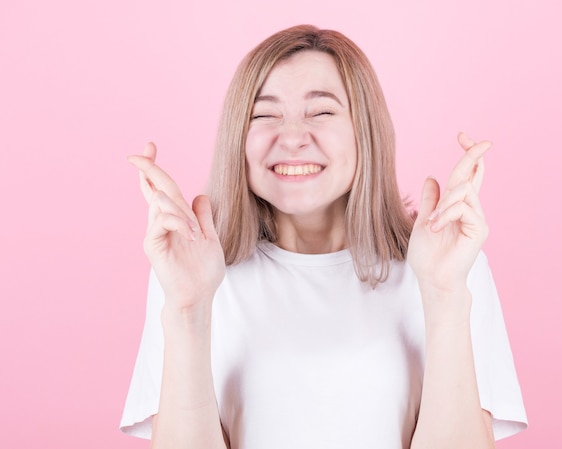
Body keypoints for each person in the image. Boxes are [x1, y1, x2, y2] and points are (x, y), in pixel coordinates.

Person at [121, 24, 527, 449]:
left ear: (364, 131)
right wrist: (188, 308)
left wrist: (444, 294)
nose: (293, 137)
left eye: (322, 112)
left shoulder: (448, 267)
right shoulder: (192, 273)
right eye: (264, 114)